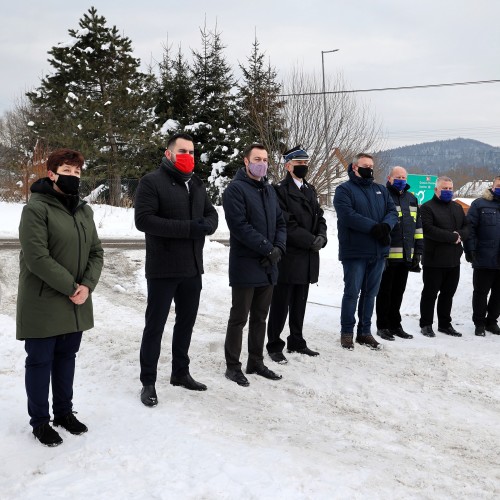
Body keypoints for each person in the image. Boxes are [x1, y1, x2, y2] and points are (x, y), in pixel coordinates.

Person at [17, 148, 104, 447]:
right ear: (52, 174)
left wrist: (87, 286)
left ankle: (64, 413)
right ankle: (40, 422)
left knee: (66, 358)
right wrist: (72, 287)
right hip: (44, 300)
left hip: (76, 300)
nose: (73, 177)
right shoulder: (36, 209)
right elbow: (36, 257)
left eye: (77, 172)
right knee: (40, 362)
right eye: (67, 171)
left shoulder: (84, 210)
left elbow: (96, 252)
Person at [135, 133, 218, 406]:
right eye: (182, 151)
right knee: (155, 325)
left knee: (186, 323)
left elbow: (211, 214)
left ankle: (180, 372)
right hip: (163, 268)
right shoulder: (151, 182)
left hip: (192, 268)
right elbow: (144, 220)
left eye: (192, 152)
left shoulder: (196, 183)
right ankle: (148, 381)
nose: (188, 156)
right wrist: (190, 229)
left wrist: (209, 224)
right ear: (169, 153)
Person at [222, 143, 287, 386]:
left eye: (266, 159)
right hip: (246, 265)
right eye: (257, 159)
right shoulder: (235, 190)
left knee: (261, 317)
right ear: (246, 162)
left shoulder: (269, 190)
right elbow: (239, 226)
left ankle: (256, 361)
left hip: (269, 265)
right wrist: (266, 248)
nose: (263, 163)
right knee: (239, 318)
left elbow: (281, 223)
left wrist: (278, 248)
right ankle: (232, 366)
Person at [266, 146, 327, 364]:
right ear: (288, 165)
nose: (303, 167)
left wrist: (322, 235)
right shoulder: (279, 190)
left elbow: (320, 217)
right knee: (281, 304)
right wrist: (310, 240)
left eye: (305, 163)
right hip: (290, 256)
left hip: (309, 257)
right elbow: (286, 224)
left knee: (300, 302)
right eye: (299, 163)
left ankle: (296, 340)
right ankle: (274, 344)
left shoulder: (310, 189)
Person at [333, 153, 398, 350]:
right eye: (365, 165)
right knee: (352, 293)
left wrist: (386, 226)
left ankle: (365, 332)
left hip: (378, 251)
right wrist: (373, 227)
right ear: (354, 167)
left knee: (370, 294)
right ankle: (347, 332)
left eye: (371, 165)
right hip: (355, 251)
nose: (369, 168)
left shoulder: (380, 190)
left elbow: (392, 212)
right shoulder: (344, 190)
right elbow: (347, 215)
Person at [375, 166, 423, 341]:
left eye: (404, 177)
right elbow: (381, 226)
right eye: (398, 177)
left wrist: (417, 252)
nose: (401, 179)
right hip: (388, 256)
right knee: (384, 292)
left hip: (405, 256)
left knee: (398, 293)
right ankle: (382, 326)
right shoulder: (383, 197)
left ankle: (396, 325)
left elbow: (418, 227)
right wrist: (382, 252)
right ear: (389, 178)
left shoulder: (412, 198)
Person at [419, 176, 469, 337]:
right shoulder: (427, 207)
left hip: (454, 260)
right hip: (434, 259)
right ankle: (426, 324)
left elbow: (467, 227)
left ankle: (445, 324)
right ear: (436, 190)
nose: (448, 191)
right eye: (444, 189)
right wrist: (453, 237)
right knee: (430, 293)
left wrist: (460, 234)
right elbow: (428, 229)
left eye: (450, 189)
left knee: (448, 294)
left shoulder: (457, 207)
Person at [464, 176, 500, 336]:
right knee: (480, 292)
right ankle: (479, 323)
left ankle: (492, 322)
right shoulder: (479, 204)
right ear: (492, 186)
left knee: (498, 294)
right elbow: (470, 228)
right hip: (484, 256)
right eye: (499, 185)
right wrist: (470, 249)